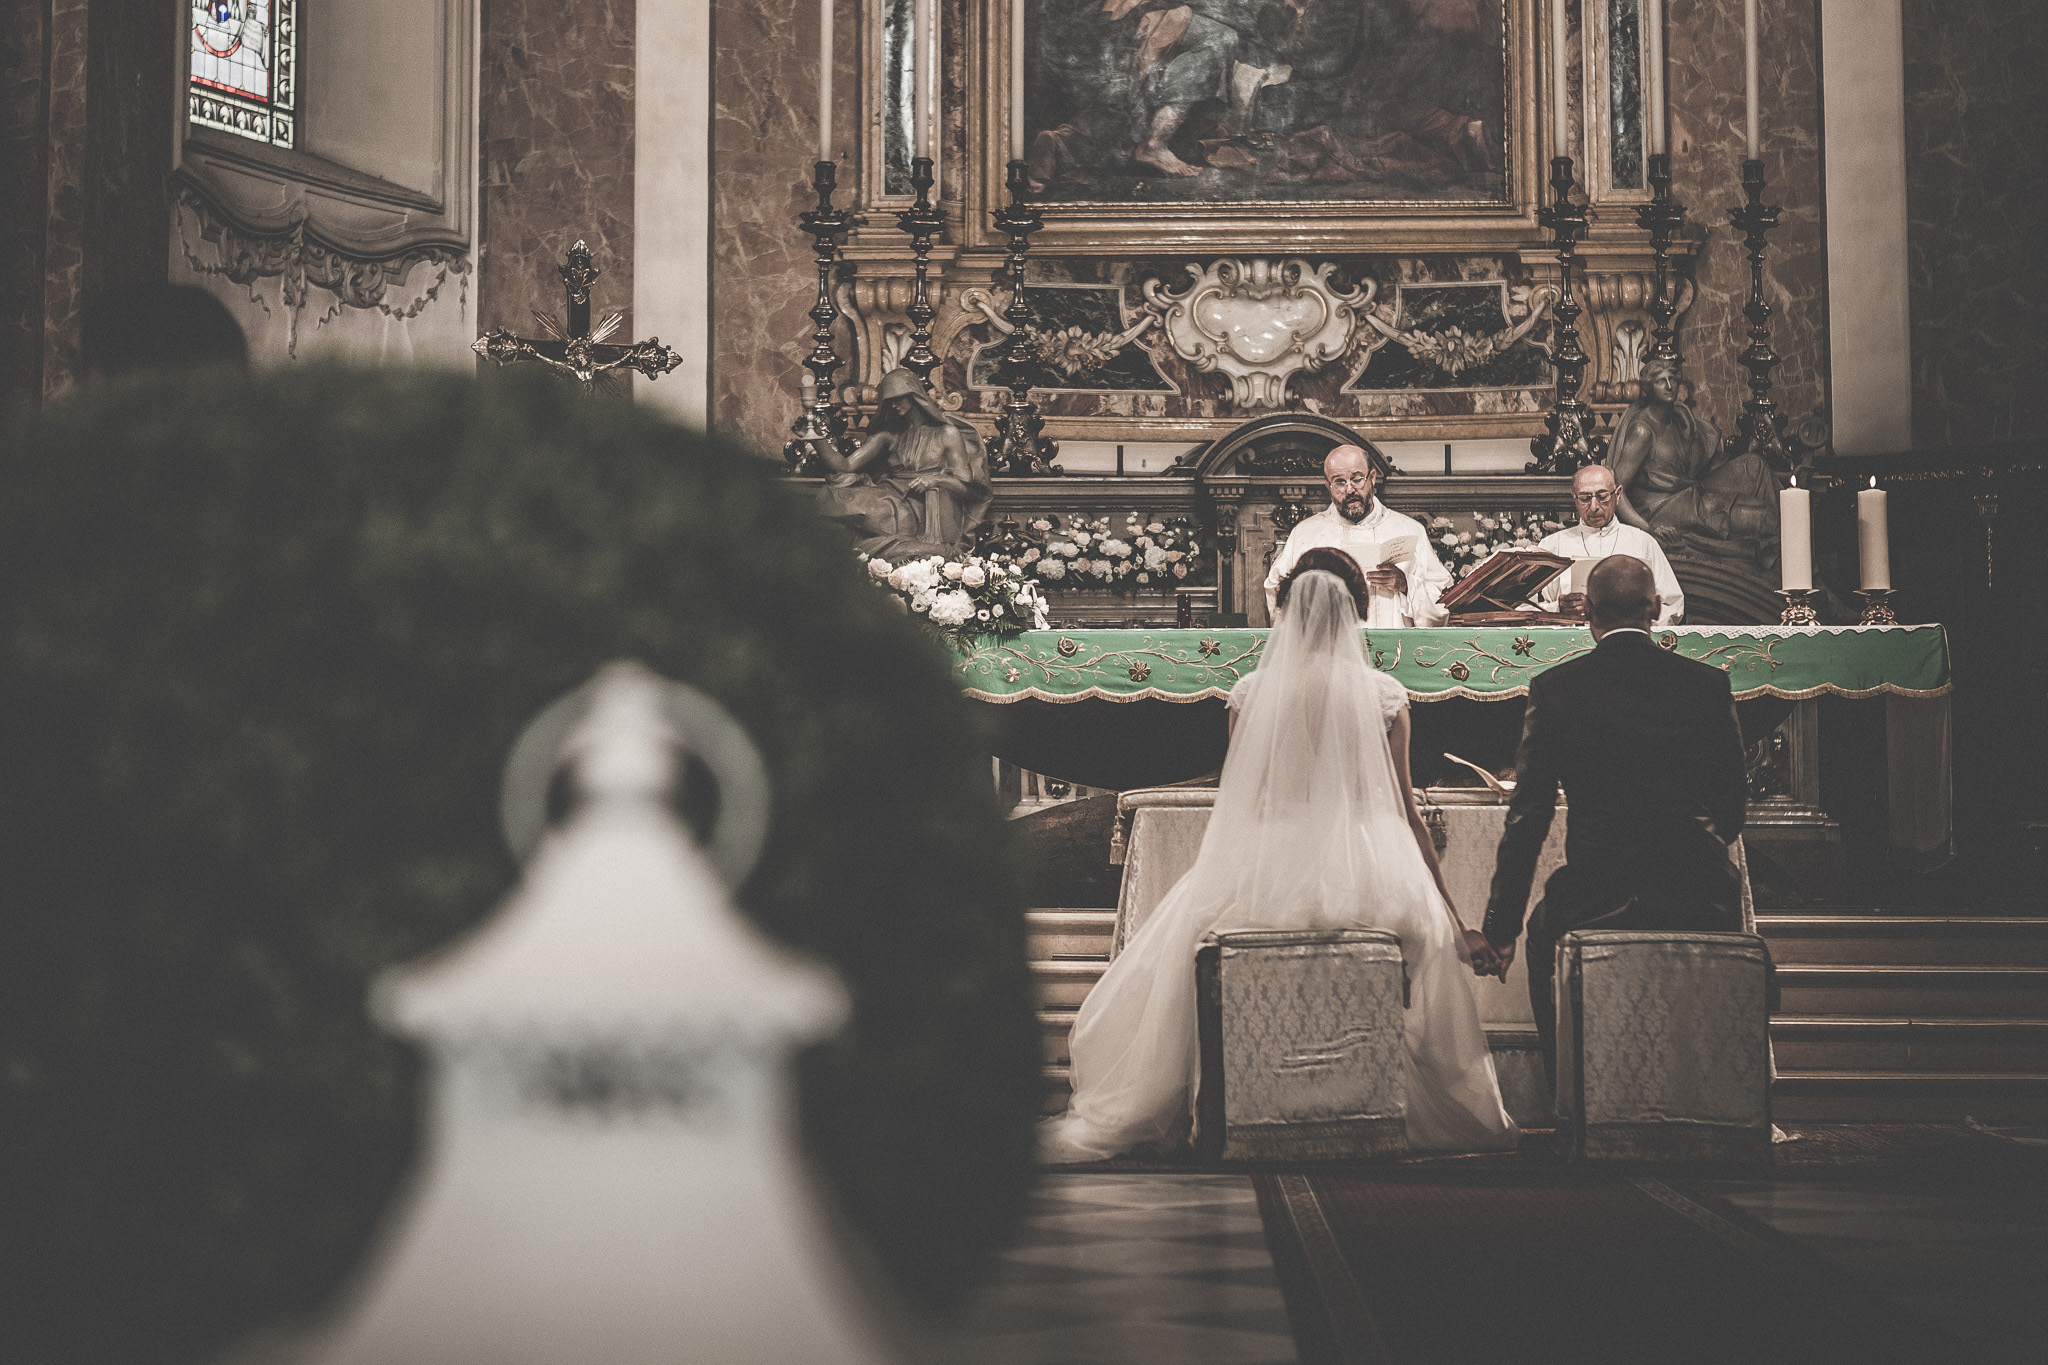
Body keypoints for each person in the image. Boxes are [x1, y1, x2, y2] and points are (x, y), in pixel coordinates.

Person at [1042, 553, 1517, 1160]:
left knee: (1193, 944)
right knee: (1418, 949)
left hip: (1268, 859)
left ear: (1286, 611)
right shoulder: (1384, 694)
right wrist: (1456, 923)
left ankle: (1230, 1101)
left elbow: (1244, 799)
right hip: (1373, 864)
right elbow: (1407, 814)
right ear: (1357, 611)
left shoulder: (1251, 691)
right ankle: (1376, 1097)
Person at [1480, 556, 1749, 1081]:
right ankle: (1715, 1085)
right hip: (1697, 885)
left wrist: (1500, 929)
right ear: (1653, 609)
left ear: (1587, 612)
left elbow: (1528, 818)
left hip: (1597, 889)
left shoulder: (1557, 689)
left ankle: (1570, 1094)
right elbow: (1732, 808)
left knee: (1541, 935)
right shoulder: (1707, 685)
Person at [1608, 356, 1780, 575]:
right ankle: (1782, 571)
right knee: (1760, 518)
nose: (1669, 386)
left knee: (1755, 467)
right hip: (1661, 509)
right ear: (1649, 388)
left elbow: (1696, 467)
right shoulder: (1643, 430)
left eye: (1672, 379)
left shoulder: (1680, 420)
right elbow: (1616, 489)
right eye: (1661, 381)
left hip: (1686, 497)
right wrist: (1648, 529)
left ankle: (1784, 570)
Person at [1263, 443, 1450, 627]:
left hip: (1395, 650)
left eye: (1357, 479)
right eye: (1339, 482)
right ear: (1328, 486)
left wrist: (1406, 585)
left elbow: (1442, 597)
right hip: (1330, 651)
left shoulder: (1409, 529)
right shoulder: (1307, 534)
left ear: (1372, 478)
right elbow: (1277, 591)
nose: (1350, 490)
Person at [816, 368, 992, 560]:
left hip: (923, 506)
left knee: (866, 509)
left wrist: (936, 480)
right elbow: (845, 466)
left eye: (898, 398)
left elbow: (969, 490)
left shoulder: (947, 433)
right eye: (888, 401)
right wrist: (815, 438)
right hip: (891, 494)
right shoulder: (889, 434)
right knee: (839, 489)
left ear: (914, 395)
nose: (893, 405)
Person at [1530, 463, 1684, 624]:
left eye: (1602, 496)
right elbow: (1521, 609)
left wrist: (1638, 616)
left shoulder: (1643, 543)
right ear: (1574, 498)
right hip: (1568, 644)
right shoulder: (1552, 545)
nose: (1594, 507)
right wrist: (1557, 609)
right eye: (1585, 498)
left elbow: (1673, 605)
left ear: (1618, 495)